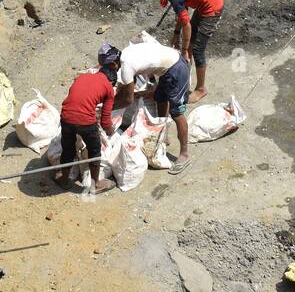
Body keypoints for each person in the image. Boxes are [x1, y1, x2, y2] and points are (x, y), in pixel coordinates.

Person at [139, 0, 224, 102]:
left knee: (197, 50)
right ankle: (184, 78)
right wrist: (176, 34)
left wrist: (184, 50)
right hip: (204, 3)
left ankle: (201, 89)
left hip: (212, 8)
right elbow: (183, 14)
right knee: (190, 43)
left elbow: (187, 24)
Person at [116, 35, 193, 176]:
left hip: (177, 69)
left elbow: (127, 99)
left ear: (115, 65)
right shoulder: (125, 53)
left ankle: (184, 154)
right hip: (167, 67)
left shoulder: (126, 67)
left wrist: (110, 107)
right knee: (160, 98)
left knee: (177, 113)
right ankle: (163, 132)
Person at [54, 43, 121, 193]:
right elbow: (105, 121)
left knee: (68, 149)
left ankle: (64, 179)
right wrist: (111, 132)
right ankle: (95, 184)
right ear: (112, 81)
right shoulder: (109, 88)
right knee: (94, 151)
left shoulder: (83, 76)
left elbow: (75, 98)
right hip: (85, 122)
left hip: (65, 117)